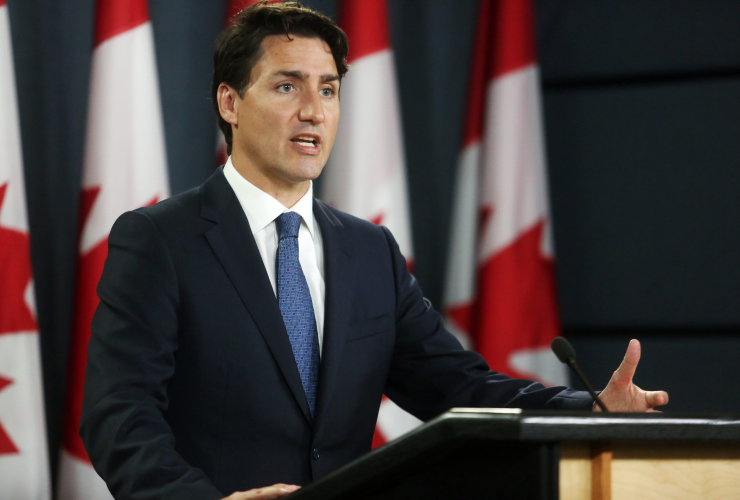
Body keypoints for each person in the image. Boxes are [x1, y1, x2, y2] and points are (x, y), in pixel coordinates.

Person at [79, 3, 668, 500]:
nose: (313, 110)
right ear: (230, 103)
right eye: (287, 86)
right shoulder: (160, 240)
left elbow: (459, 387)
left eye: (328, 89)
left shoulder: (369, 251)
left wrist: (587, 409)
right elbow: (118, 418)